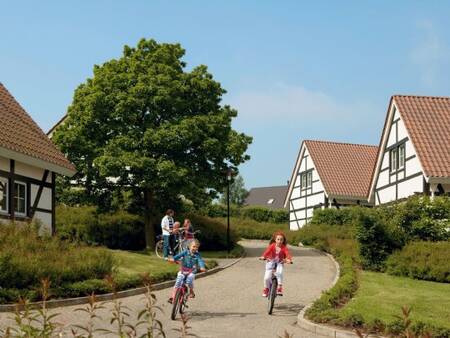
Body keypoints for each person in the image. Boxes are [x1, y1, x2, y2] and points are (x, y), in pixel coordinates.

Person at [168, 239, 206, 303]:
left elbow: (200, 261)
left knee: (189, 280)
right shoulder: (185, 252)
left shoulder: (197, 255)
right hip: (183, 270)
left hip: (192, 271)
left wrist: (202, 267)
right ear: (189, 246)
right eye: (193, 246)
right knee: (178, 280)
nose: (195, 248)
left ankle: (191, 291)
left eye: (196, 247)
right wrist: (173, 259)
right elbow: (178, 256)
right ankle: (173, 297)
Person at [259, 231, 292, 297]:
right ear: (275, 240)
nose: (279, 241)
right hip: (271, 262)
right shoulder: (272, 246)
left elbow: (287, 254)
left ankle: (279, 287)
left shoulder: (284, 247)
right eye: (278, 239)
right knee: (266, 277)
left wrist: (289, 259)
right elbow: (267, 252)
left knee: (279, 273)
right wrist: (264, 256)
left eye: (281, 239)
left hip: (280, 262)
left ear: (283, 240)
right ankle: (266, 288)